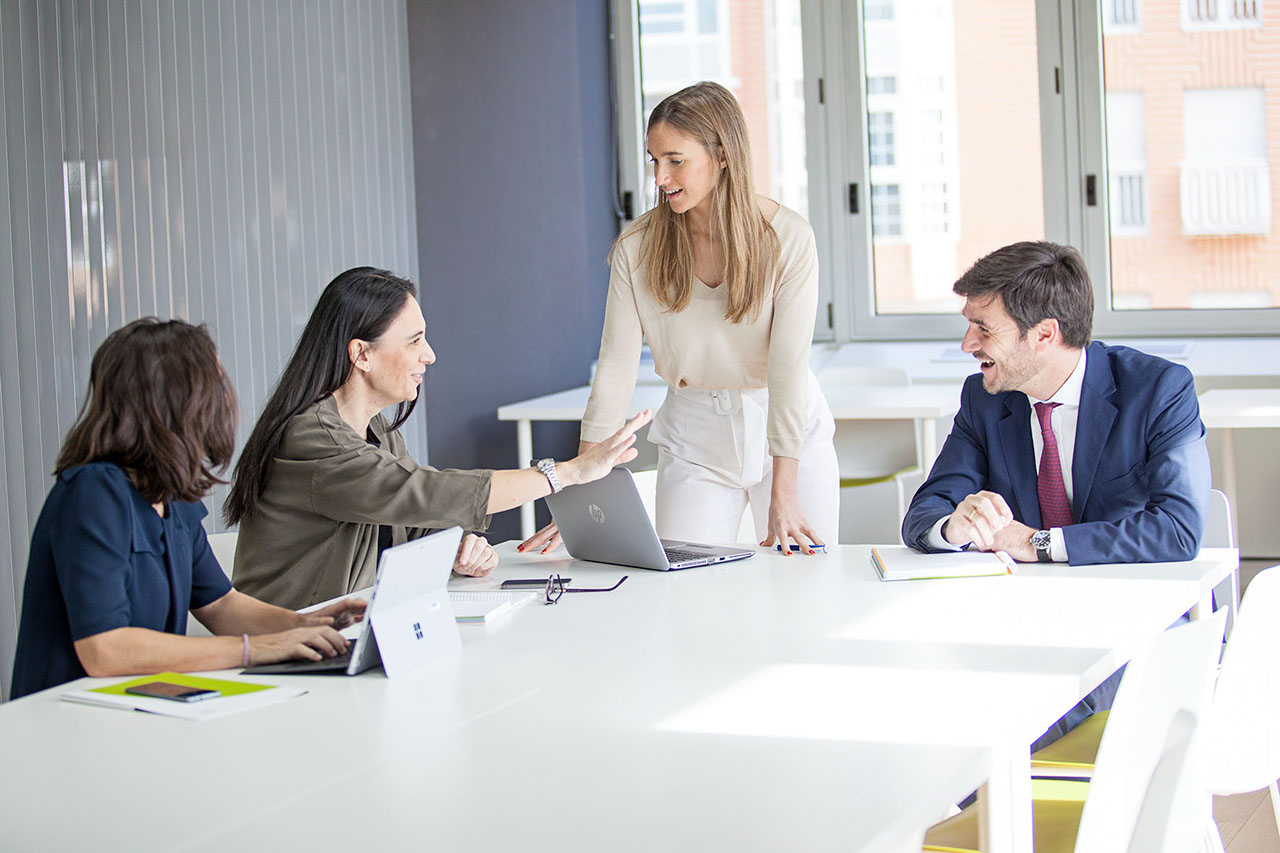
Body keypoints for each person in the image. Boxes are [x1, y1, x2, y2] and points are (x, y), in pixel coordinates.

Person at [901, 239, 1211, 749]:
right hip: (1025, 623)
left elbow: (1179, 530)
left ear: (1044, 334)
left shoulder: (1158, 389)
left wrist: (1041, 543)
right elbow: (925, 514)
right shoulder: (983, 399)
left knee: (1019, 723)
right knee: (930, 695)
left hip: (1134, 624)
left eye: (984, 328)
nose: (967, 344)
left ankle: (977, 814)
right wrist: (956, 526)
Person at [522, 81, 837, 557]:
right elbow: (615, 368)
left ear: (723, 155)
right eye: (654, 160)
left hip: (787, 435)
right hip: (694, 438)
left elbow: (788, 366)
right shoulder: (637, 248)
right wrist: (579, 490)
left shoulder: (787, 238)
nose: (660, 178)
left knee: (805, 586)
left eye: (675, 160)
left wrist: (785, 489)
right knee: (690, 597)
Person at [225, 267, 650, 611]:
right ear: (362, 354)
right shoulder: (313, 438)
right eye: (414, 341)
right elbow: (422, 493)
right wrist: (566, 474)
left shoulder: (378, 434)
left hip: (348, 629)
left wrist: (459, 550)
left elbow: (412, 525)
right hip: (291, 643)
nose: (429, 354)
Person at [10, 319, 368, 699]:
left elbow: (221, 605)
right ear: (178, 397)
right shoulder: (93, 493)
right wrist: (254, 650)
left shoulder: (173, 495)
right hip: (63, 719)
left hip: (137, 706)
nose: (225, 397)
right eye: (214, 382)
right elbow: (104, 650)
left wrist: (302, 625)